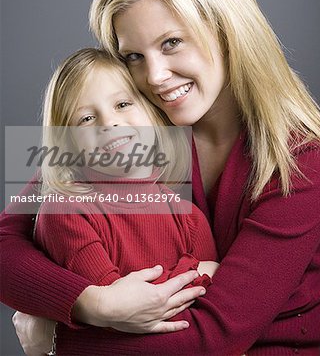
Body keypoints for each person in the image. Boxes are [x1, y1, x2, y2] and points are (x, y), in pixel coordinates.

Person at [2, 0, 320, 356]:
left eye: (172, 43)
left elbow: (213, 338)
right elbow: (7, 241)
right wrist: (91, 302)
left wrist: (55, 335)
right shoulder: (128, 126)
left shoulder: (308, 160)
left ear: (226, 27)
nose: (155, 76)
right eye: (134, 56)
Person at [31, 47, 218, 355]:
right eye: (87, 118)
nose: (110, 123)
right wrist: (198, 269)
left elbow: (204, 317)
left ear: (153, 114)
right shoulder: (66, 211)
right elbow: (118, 310)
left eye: (122, 104)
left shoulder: (188, 215)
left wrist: (194, 278)